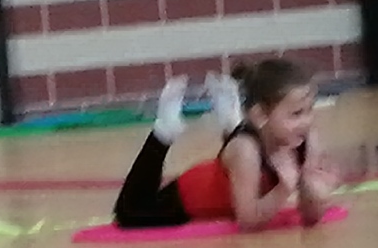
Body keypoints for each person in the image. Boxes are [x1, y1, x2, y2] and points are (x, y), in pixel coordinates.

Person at [112, 59, 341, 231]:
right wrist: (283, 190)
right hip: (187, 197)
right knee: (128, 213)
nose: (306, 121)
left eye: (309, 110)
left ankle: (232, 123)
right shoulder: (246, 152)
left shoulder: (307, 140)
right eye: (296, 114)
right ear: (260, 115)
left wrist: (316, 196)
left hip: (228, 174)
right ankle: (164, 131)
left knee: (241, 148)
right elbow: (247, 221)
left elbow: (309, 217)